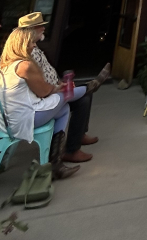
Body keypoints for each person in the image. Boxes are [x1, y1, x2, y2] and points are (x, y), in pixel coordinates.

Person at [19, 12, 110, 164]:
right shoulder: (26, 55)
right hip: (42, 101)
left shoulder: (33, 48)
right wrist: (57, 88)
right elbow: (39, 86)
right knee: (83, 96)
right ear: (31, 30)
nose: (43, 29)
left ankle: (77, 137)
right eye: (40, 26)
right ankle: (90, 86)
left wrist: (59, 83)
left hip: (50, 93)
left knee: (84, 98)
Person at [0, 27, 79, 179]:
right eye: (31, 43)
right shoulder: (24, 65)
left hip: (8, 120)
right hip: (25, 119)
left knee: (64, 108)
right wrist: (57, 88)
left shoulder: (4, 65)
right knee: (65, 96)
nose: (34, 46)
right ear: (20, 44)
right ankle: (55, 164)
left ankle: (56, 163)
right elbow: (44, 92)